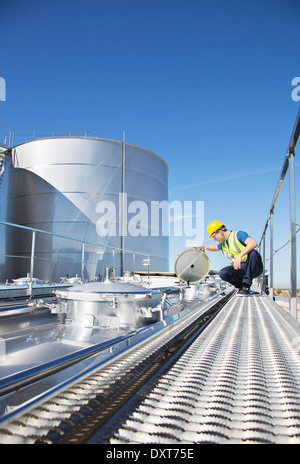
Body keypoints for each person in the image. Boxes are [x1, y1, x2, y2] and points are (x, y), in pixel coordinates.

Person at [191, 220, 263, 295]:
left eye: (214, 236)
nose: (214, 239)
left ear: (220, 231)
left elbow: (253, 243)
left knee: (253, 253)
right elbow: (215, 247)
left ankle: (246, 286)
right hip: (240, 268)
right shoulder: (224, 244)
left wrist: (240, 256)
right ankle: (241, 287)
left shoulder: (238, 234)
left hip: (254, 267)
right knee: (223, 273)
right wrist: (201, 246)